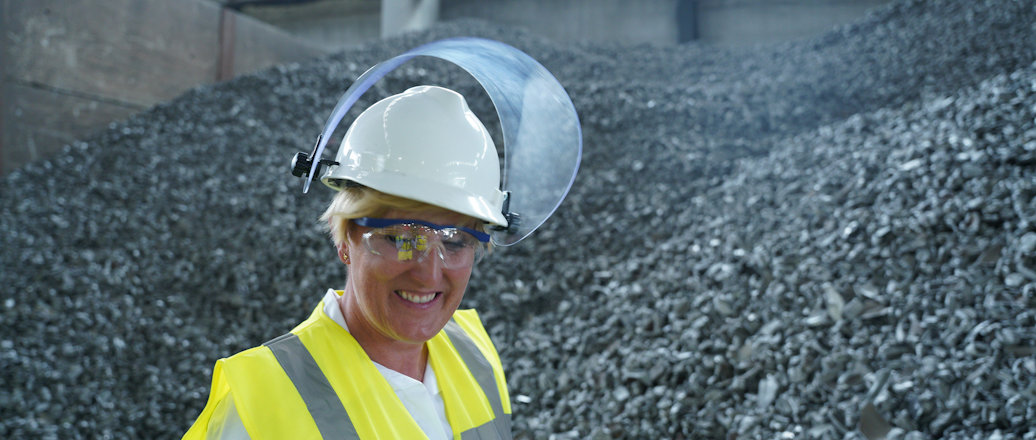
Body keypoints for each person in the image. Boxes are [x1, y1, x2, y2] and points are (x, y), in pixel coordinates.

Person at [183, 85, 513, 439]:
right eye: (401, 239)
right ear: (345, 239)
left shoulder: (475, 353)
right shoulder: (263, 405)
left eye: (455, 242)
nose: (428, 273)